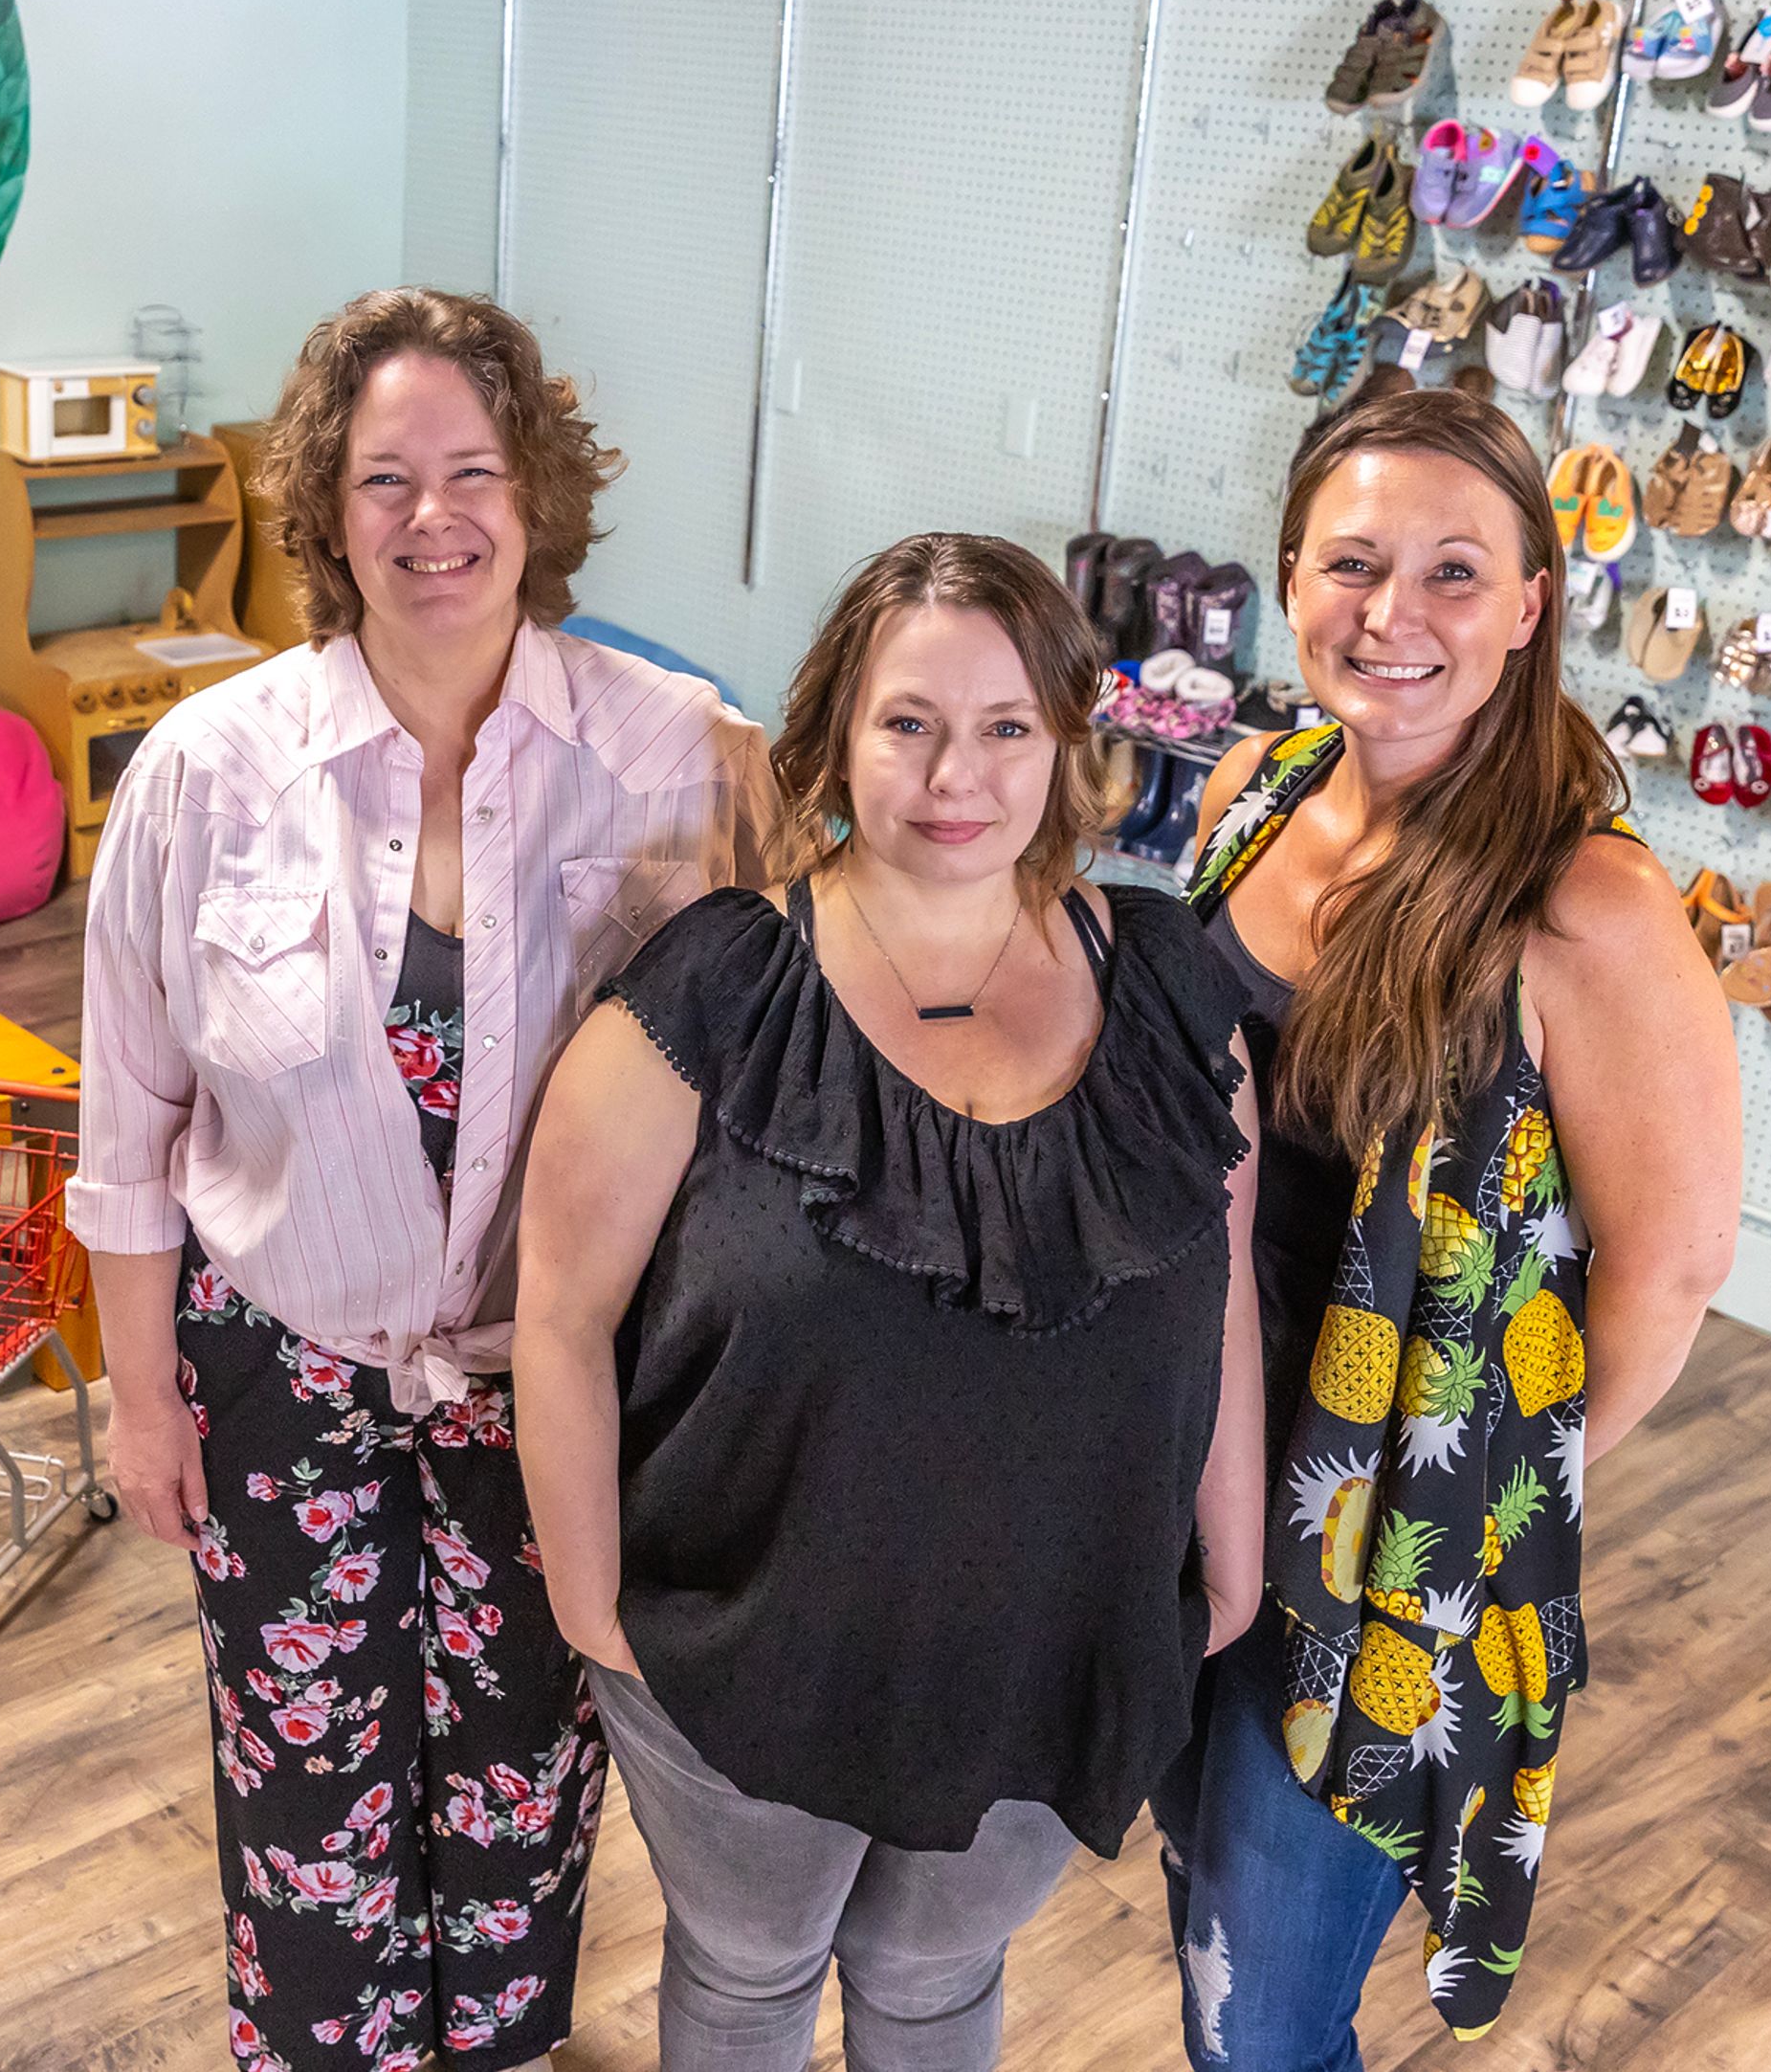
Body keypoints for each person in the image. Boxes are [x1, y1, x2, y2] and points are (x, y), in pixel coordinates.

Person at [70, 287, 773, 2072]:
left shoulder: (682, 752)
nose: (433, 517)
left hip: (557, 1395)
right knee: (307, 1801)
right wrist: (141, 1401)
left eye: (473, 472)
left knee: (525, 1783)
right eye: (385, 479)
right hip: (283, 1378)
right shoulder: (205, 775)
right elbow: (132, 1123)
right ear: (325, 510)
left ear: (537, 498)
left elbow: (819, 1030)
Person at [516, 533, 1267, 2072]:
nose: (956, 775)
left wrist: (1233, 1557)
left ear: (1069, 748)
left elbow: (1223, 1293)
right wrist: (591, 1601)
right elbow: (561, 1312)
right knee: (747, 1969)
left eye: (1007, 728)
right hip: (746, 1630)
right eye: (908, 722)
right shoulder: (717, 988)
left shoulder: (1173, 984)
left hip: (1053, 1630)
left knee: (938, 1973)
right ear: (835, 742)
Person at [1160, 386, 1739, 2069]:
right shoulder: (1254, 797)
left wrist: (1482, 1497)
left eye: (1453, 574)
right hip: (1186, 1458)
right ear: (1288, 580)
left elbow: (1674, 1265)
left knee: (1263, 2019)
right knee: (1202, 1918)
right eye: (1351, 564)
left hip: (1378, 1545)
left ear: (1531, 605)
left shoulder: (1587, 904)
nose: (1392, 616)